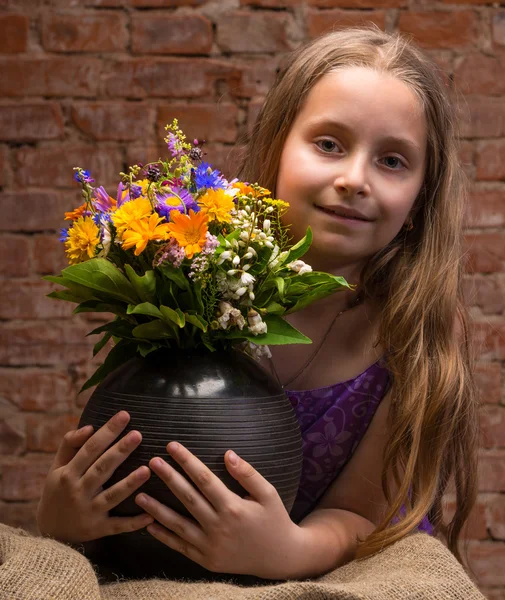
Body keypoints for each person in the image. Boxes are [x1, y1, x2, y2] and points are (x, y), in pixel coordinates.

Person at [36, 27, 479, 581]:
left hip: (341, 566)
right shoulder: (190, 277)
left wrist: (285, 553)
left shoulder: (413, 326)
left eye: (392, 161)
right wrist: (64, 513)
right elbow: (131, 436)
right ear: (276, 149)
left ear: (419, 200)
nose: (353, 179)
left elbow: (363, 516)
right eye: (329, 144)